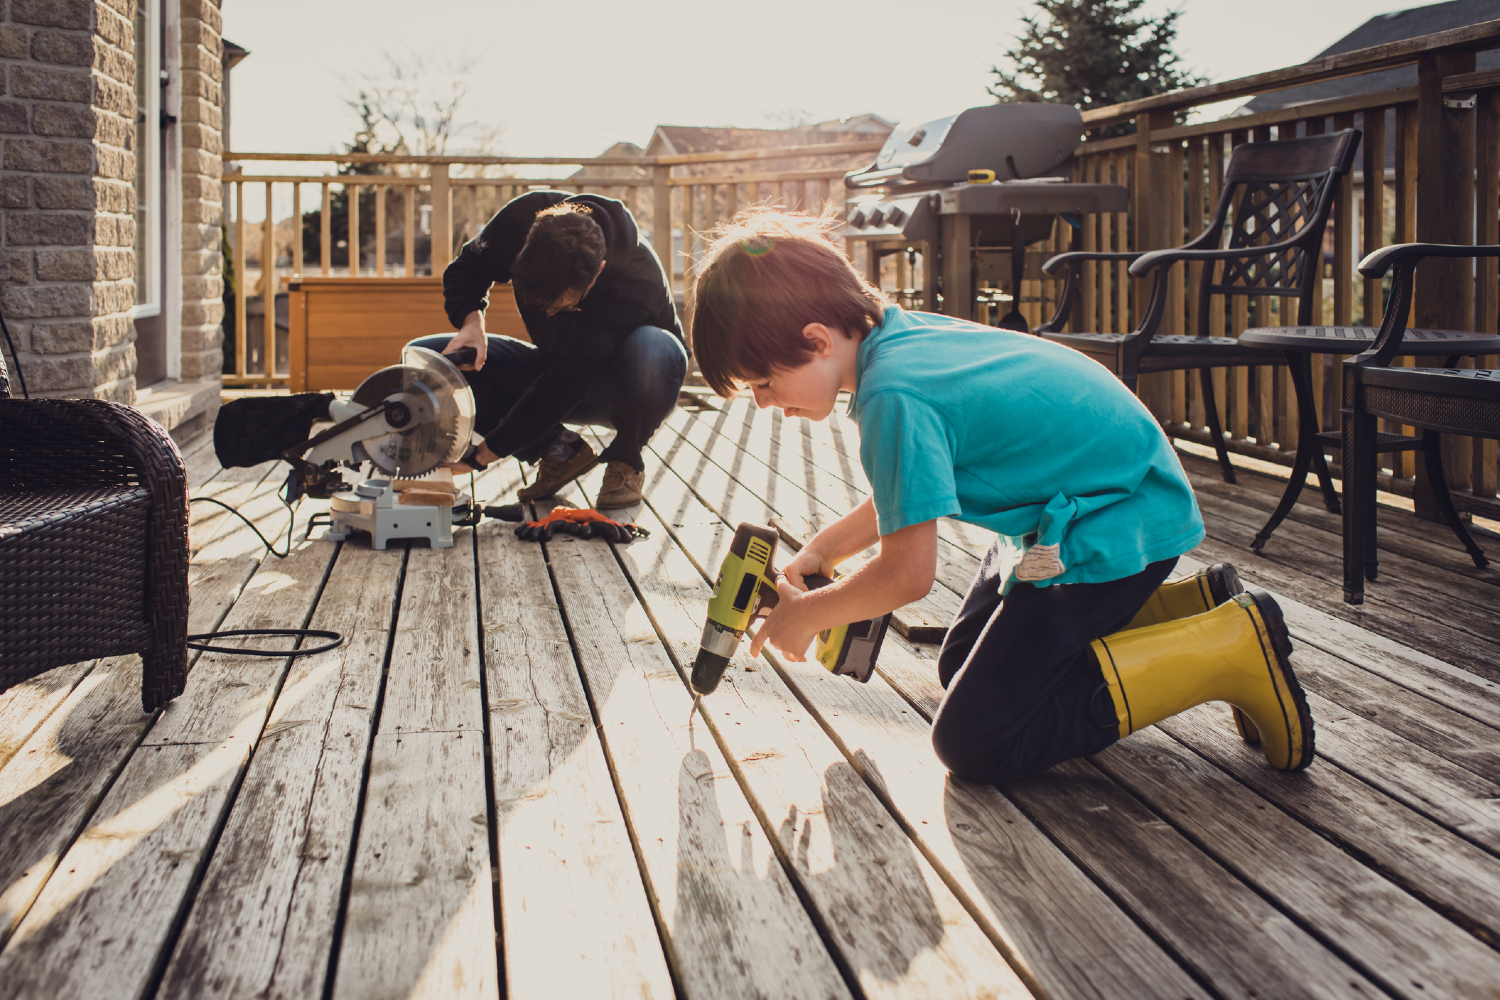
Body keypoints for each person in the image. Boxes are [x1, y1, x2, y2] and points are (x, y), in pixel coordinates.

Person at [688, 210, 1314, 786]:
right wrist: (826, 549)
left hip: (1108, 525)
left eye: (764, 383)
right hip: (1082, 513)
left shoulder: (893, 397)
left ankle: (1228, 646)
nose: (766, 402)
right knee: (959, 666)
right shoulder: (895, 340)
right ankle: (1186, 609)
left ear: (819, 340)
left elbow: (908, 577)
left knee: (976, 742)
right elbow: (911, 493)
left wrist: (810, 613)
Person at [409, 190, 687, 509]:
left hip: (632, 386)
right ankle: (560, 450)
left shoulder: (636, 282)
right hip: (559, 363)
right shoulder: (520, 219)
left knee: (652, 345)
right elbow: (466, 268)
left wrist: (481, 457)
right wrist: (472, 322)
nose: (551, 314)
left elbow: (566, 383)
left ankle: (626, 460)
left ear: (597, 271)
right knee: (433, 360)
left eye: (563, 304)